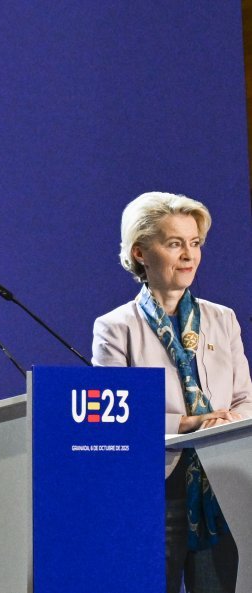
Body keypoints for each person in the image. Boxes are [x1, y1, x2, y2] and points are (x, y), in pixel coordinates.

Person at [92, 191, 252, 593]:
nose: (189, 256)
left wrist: (227, 426)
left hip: (221, 494)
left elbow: (244, 400)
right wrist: (191, 424)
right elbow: (115, 417)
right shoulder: (115, 328)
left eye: (194, 243)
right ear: (141, 253)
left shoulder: (223, 319)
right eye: (175, 243)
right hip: (154, 497)